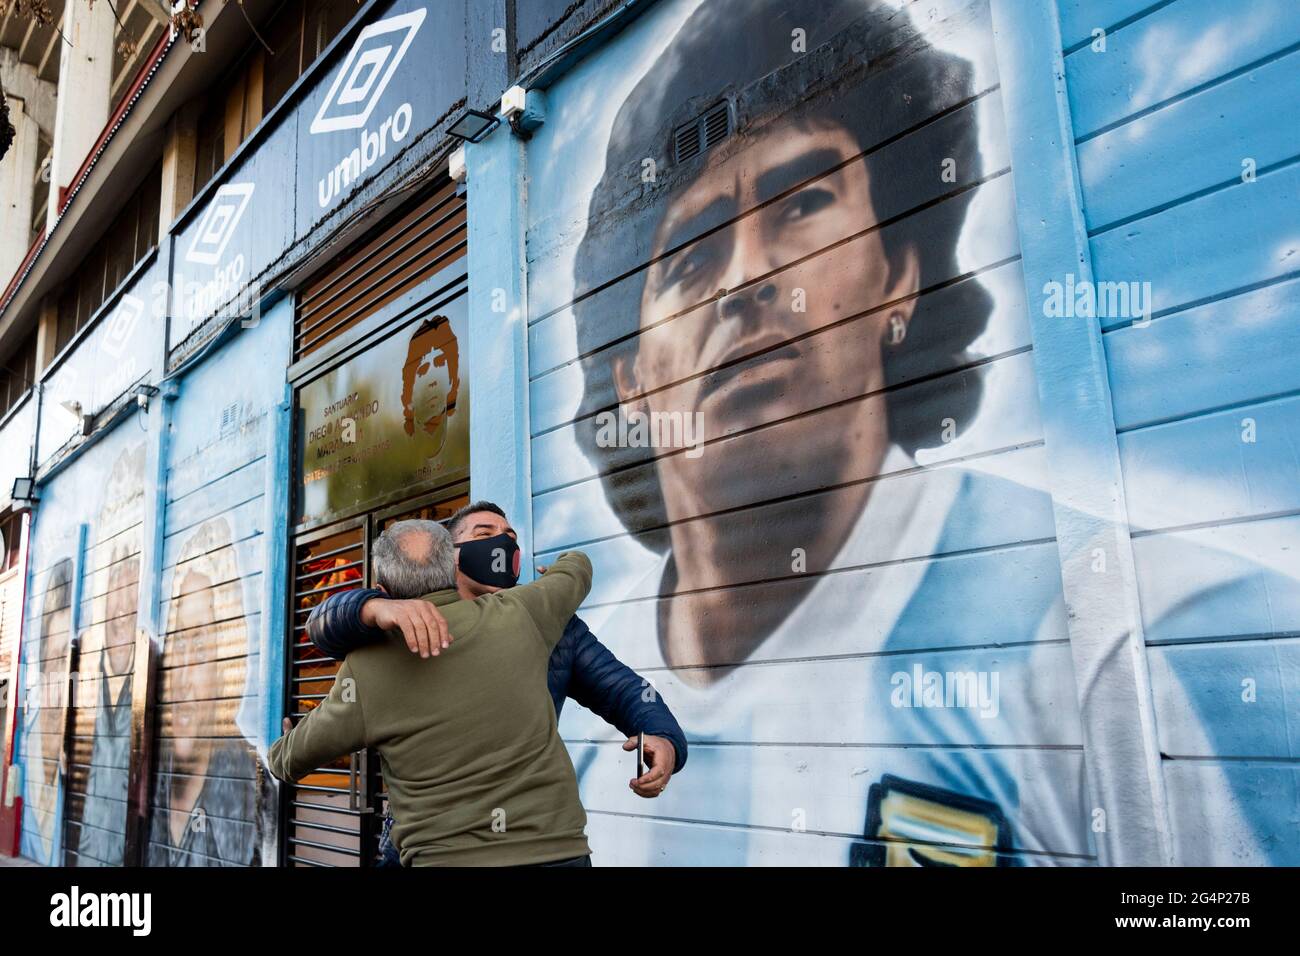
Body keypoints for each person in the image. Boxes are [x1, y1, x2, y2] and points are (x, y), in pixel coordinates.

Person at [307, 499, 687, 866]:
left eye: (511, 536)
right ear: (447, 555)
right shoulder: (402, 620)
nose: (503, 544)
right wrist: (371, 607)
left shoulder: (550, 627)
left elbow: (623, 688)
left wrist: (663, 735)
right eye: (485, 533)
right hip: (424, 845)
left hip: (531, 846)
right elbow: (323, 627)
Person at [270, 520, 596, 866]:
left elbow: (284, 761)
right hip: (560, 854)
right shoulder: (521, 612)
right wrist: (558, 566)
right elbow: (577, 568)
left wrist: (291, 739)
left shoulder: (366, 668)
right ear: (455, 568)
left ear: (381, 589)